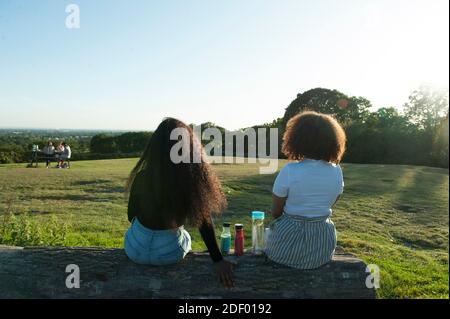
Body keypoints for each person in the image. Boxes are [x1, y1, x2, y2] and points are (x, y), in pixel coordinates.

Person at [124, 118, 234, 288]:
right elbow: (204, 222)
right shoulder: (191, 180)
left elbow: (131, 215)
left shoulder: (142, 177)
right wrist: (218, 260)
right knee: (185, 236)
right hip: (169, 252)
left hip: (134, 248)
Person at [265, 111, 346, 269]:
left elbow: (276, 211)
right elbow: (333, 199)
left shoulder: (290, 170)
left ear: (296, 139)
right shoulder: (337, 171)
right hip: (322, 246)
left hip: (286, 243)